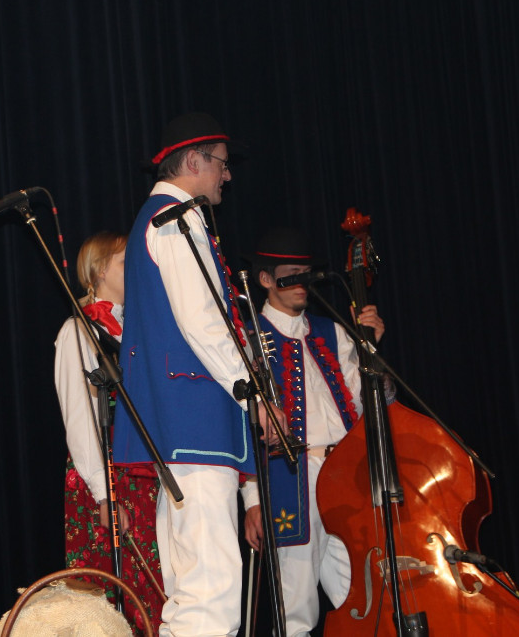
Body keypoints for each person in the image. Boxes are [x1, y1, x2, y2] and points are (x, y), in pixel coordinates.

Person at [112, 112, 278, 636]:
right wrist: (253, 394)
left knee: (192, 592)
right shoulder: (176, 219)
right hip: (195, 423)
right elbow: (205, 321)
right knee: (213, 595)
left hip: (181, 427)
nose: (227, 175)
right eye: (222, 164)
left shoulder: (160, 218)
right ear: (193, 161)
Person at [241, 226, 385, 637]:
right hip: (290, 476)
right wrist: (253, 500)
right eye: (291, 275)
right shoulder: (248, 339)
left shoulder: (332, 331)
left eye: (305, 273)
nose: (302, 282)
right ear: (265, 279)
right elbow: (244, 427)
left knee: (361, 596)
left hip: (344, 473)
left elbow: (366, 404)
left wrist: (369, 349)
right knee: (296, 607)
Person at [53, 231, 164, 631]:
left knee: (158, 591)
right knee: (113, 599)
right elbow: (79, 417)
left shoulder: (137, 330)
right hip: (109, 477)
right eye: (123, 262)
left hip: (146, 474)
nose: (133, 269)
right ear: (99, 270)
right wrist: (105, 493)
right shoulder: (78, 331)